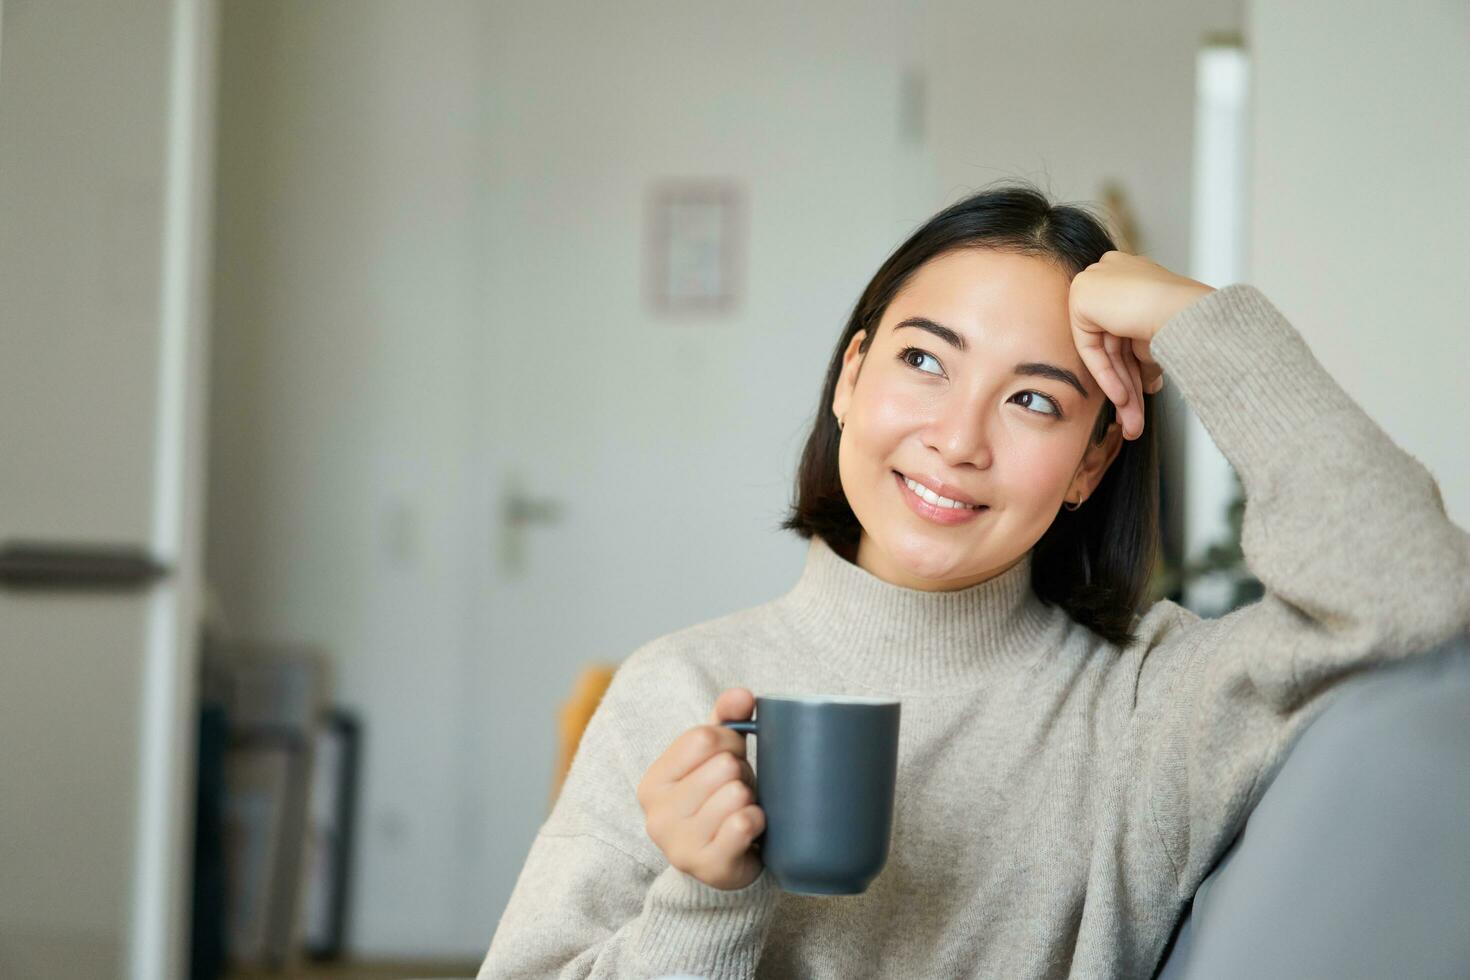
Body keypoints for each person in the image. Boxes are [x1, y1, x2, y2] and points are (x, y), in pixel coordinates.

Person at [477, 183, 1470, 978]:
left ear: (1090, 464)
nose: (957, 440)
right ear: (850, 376)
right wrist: (704, 895)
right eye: (924, 360)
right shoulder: (680, 688)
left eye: (1034, 399)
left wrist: (1201, 322)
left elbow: (1414, 592)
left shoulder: (1145, 706)